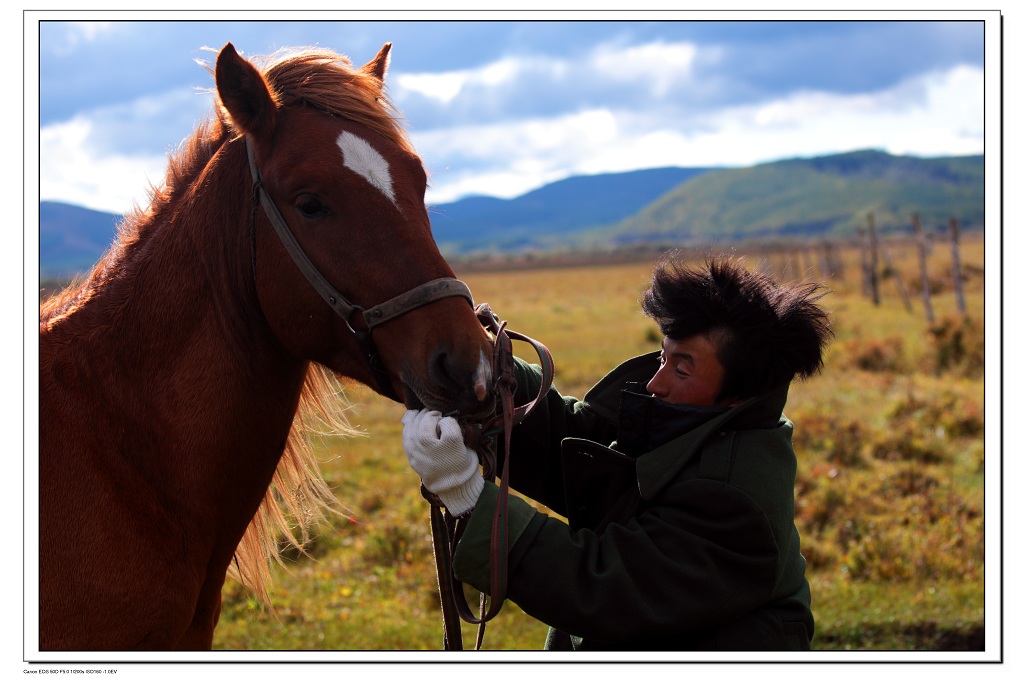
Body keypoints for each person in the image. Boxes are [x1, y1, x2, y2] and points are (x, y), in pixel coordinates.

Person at [402, 256, 833, 651]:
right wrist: (498, 373)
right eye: (661, 358)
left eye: (681, 369)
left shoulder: (735, 498)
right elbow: (582, 446)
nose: (654, 383)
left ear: (740, 395)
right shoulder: (690, 420)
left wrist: (469, 498)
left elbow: (603, 586)